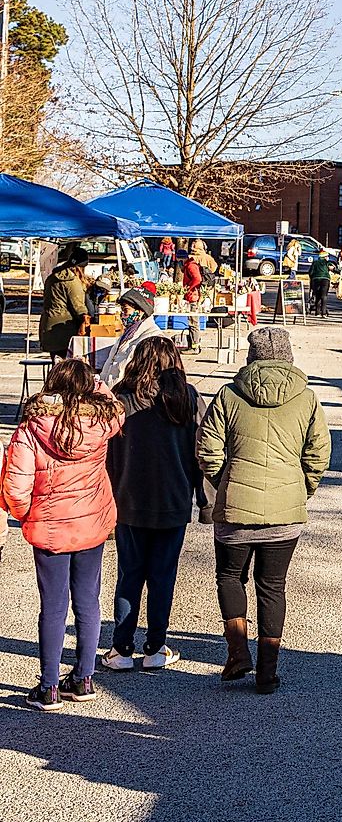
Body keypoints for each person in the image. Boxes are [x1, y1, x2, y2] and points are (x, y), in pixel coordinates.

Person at [197, 327, 331, 694]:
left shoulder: (228, 396)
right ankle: (268, 672)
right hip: (285, 513)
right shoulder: (306, 399)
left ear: (251, 356)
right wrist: (302, 488)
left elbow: (207, 450)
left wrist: (228, 481)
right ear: (288, 356)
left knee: (229, 577)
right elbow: (318, 453)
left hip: (236, 509)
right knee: (272, 587)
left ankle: (238, 654)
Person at [3, 358, 125, 711]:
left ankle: (49, 686)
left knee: (53, 607)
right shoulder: (102, 422)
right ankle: (84, 678)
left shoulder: (31, 428)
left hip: (50, 525)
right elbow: (117, 407)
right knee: (88, 600)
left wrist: (26, 514)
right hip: (91, 523)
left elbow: (17, 482)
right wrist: (96, 383)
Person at [103, 338, 207, 672]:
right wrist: (205, 501)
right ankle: (155, 646)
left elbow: (105, 454)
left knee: (129, 574)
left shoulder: (121, 398)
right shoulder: (187, 398)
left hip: (129, 499)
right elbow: (201, 453)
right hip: (173, 498)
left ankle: (121, 648)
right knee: (163, 575)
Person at [98, 288, 169, 388]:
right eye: (122, 310)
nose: (122, 315)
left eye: (126, 310)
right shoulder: (127, 334)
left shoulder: (152, 339)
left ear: (141, 311)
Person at [38, 247, 90, 360]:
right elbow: (79, 307)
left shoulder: (52, 277)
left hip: (48, 325)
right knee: (66, 368)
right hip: (63, 329)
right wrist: (86, 318)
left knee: (56, 364)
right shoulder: (72, 281)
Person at [308, 250, 332, 318]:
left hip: (316, 280)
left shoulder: (315, 263)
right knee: (324, 296)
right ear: (324, 257)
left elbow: (310, 272)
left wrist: (312, 278)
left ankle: (317, 312)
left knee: (317, 295)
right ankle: (324, 313)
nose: (328, 257)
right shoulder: (327, 263)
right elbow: (333, 268)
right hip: (325, 279)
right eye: (327, 256)